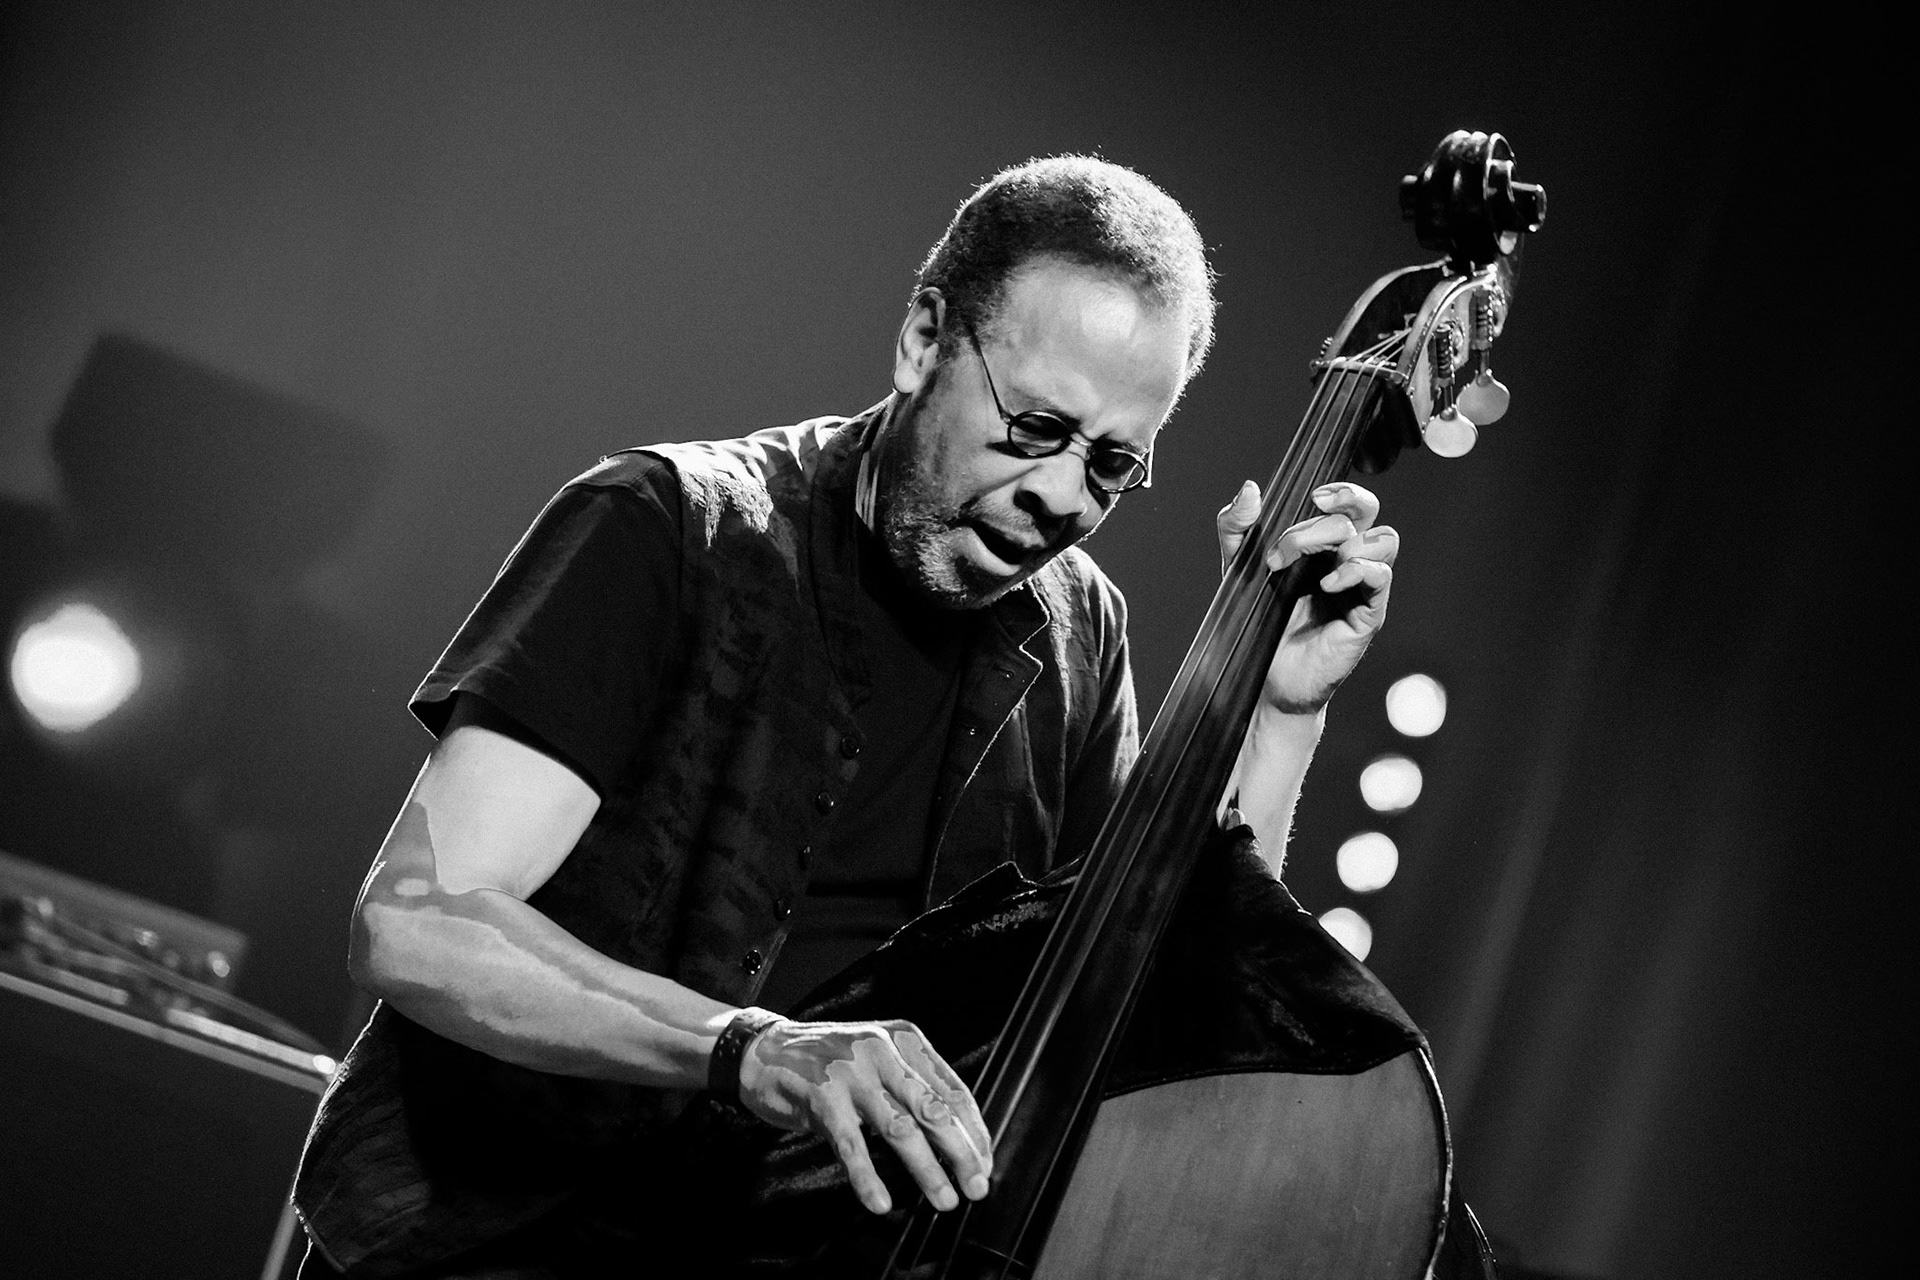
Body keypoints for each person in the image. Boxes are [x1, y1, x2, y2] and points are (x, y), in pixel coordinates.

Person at [292, 155, 1399, 1277]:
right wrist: (753, 1048)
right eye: (1035, 426)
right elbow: (420, 920)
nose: (1065, 496)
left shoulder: (1081, 632)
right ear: (925, 337)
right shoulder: (665, 529)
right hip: (506, 1242)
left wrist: (1277, 711)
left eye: (1113, 464)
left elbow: (1151, 990)